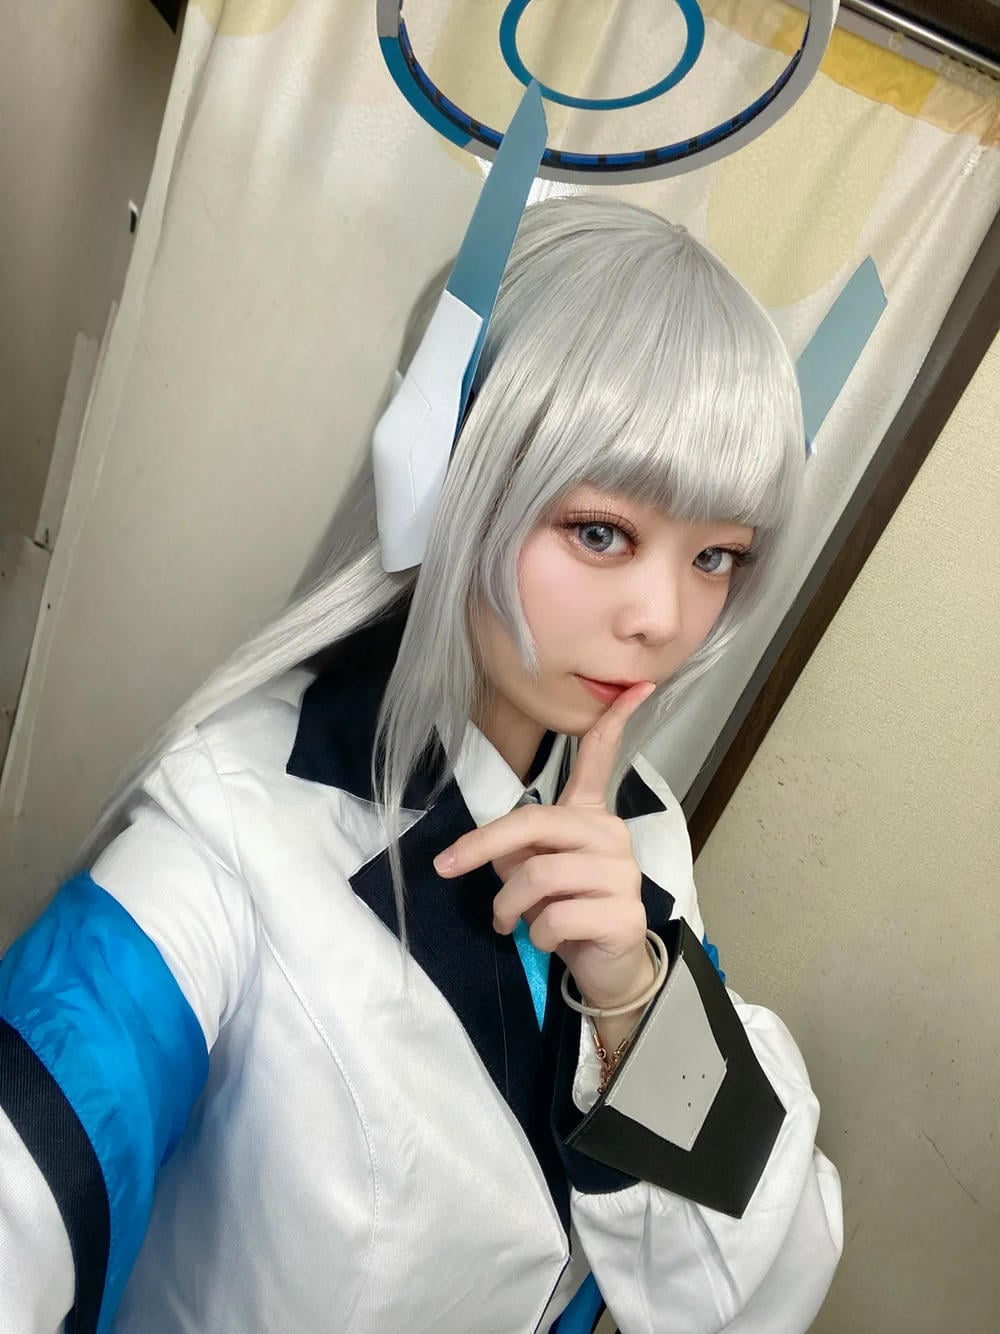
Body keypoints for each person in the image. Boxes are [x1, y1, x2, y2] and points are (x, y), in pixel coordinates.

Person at [0, 194, 842, 1333]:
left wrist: (637, 999)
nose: (662, 616)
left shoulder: (636, 828)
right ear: (450, 478)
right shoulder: (237, 824)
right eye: (601, 531)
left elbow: (750, 1290)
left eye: (715, 555)